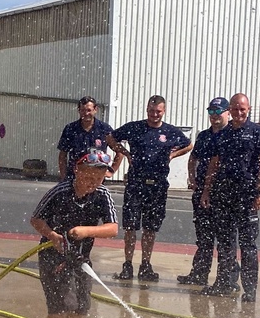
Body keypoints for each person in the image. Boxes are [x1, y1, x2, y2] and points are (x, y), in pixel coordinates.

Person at [30, 149, 118, 318]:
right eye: (89, 176)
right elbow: (36, 219)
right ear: (77, 170)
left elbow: (113, 228)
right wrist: (53, 236)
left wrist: (86, 231)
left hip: (80, 259)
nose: (94, 182)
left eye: (99, 178)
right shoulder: (60, 192)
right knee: (60, 306)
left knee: (81, 309)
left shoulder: (102, 195)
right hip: (53, 256)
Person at [106, 95, 192, 282]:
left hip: (157, 186)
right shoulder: (135, 127)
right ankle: (127, 265)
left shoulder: (170, 131)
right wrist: (124, 152)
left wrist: (172, 155)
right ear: (147, 110)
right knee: (130, 227)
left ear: (164, 111)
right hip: (136, 184)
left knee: (150, 228)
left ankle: (146, 265)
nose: (154, 114)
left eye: (158, 111)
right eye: (151, 111)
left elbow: (188, 144)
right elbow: (110, 138)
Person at [199, 93, 260, 302]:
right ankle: (223, 282)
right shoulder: (223, 134)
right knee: (224, 243)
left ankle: (250, 289)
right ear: (229, 110)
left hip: (247, 196)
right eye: (235, 109)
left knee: (248, 245)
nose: (239, 113)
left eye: (243, 109)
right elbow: (214, 163)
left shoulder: (258, 133)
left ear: (248, 109)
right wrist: (206, 190)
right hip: (223, 195)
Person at [178, 97, 232, 286]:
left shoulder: (231, 134)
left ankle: (227, 279)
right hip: (202, 191)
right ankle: (199, 273)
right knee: (204, 236)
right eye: (211, 112)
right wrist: (192, 178)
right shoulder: (204, 136)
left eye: (218, 112)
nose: (214, 116)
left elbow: (216, 164)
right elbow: (193, 157)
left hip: (224, 192)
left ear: (228, 112)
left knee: (225, 239)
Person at [56, 96, 122, 180]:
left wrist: (111, 171)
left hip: (96, 179)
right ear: (78, 110)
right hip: (75, 177)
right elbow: (62, 155)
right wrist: (64, 177)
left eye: (89, 110)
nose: (86, 113)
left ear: (95, 110)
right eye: (83, 110)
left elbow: (120, 152)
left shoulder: (104, 129)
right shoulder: (71, 129)